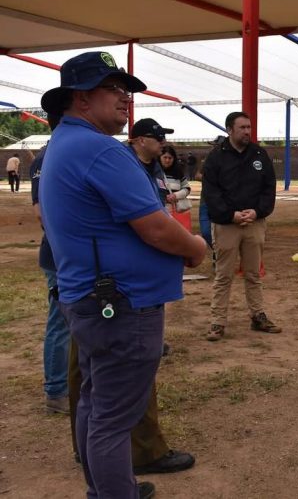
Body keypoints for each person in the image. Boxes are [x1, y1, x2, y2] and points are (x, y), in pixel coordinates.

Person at [39, 51, 207, 499]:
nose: (125, 98)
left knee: (96, 405)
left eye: (127, 90)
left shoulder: (64, 144)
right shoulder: (97, 149)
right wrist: (196, 248)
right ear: (80, 98)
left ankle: (107, 488)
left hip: (94, 300)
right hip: (122, 305)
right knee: (113, 416)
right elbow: (154, 227)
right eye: (112, 88)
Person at [202, 112, 279, 341]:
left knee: (253, 274)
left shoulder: (259, 154)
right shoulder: (216, 158)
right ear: (229, 129)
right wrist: (231, 215)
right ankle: (218, 322)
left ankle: (258, 316)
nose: (247, 131)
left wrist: (257, 211)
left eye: (249, 127)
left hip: (254, 223)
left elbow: (269, 188)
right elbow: (211, 193)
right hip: (227, 225)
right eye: (243, 127)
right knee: (223, 275)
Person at [30, 116, 69, 414]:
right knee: (60, 321)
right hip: (58, 257)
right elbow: (43, 214)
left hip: (65, 256)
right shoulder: (47, 158)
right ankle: (56, 391)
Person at [160, 143, 192, 231]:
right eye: (165, 157)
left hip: (176, 211)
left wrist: (176, 195)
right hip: (160, 212)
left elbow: (187, 188)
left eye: (170, 158)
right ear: (160, 157)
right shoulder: (154, 173)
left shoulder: (178, 172)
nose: (167, 160)